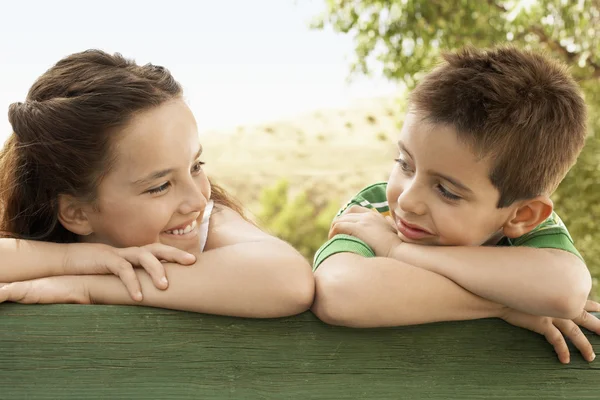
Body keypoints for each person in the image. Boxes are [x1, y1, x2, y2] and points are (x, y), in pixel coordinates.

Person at [311, 46, 600, 363]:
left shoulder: (532, 230)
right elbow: (340, 293)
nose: (408, 200)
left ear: (522, 215)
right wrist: (506, 304)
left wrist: (397, 250)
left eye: (446, 190)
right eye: (404, 164)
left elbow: (566, 292)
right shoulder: (372, 209)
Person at [0, 49, 314, 318]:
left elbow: (290, 281)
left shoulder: (208, 224)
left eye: (195, 166)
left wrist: (88, 285)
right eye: (160, 186)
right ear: (78, 213)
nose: (197, 200)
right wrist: (77, 261)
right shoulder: (29, 237)